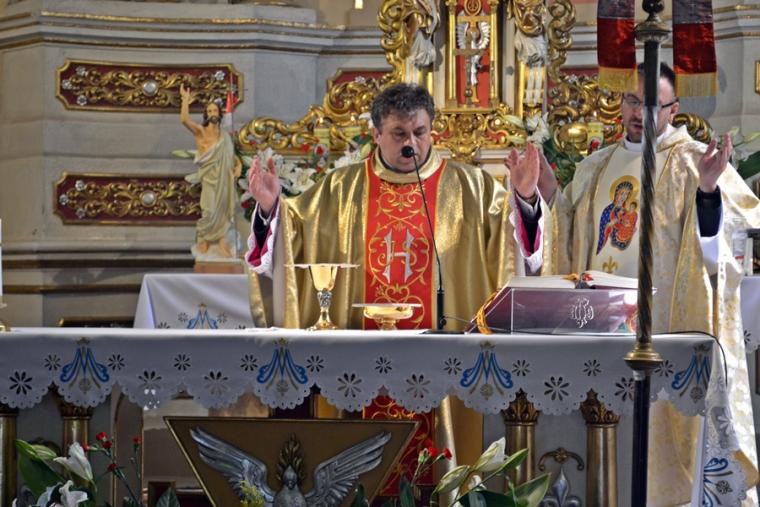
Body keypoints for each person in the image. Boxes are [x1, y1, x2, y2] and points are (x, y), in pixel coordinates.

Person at [244, 83, 555, 489]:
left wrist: (526, 198)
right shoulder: (340, 189)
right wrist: (271, 208)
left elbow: (515, 249)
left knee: (440, 468)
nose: (412, 144)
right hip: (359, 364)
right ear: (376, 134)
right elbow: (293, 236)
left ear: (432, 131)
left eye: (420, 132)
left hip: (443, 367)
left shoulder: (472, 188)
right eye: (399, 134)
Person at [510, 62, 760, 505]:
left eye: (651, 105)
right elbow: (562, 245)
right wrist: (538, 196)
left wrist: (707, 192)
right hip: (599, 334)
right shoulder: (594, 167)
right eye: (631, 101)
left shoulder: (695, 161)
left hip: (663, 333)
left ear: (673, 109)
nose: (638, 113)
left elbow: (729, 247)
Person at [180, 84, 241, 258]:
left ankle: (221, 243)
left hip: (225, 178)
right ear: (206, 115)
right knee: (209, 210)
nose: (212, 113)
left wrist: (238, 167)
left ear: (220, 114)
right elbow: (184, 120)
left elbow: (232, 157)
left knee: (223, 211)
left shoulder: (226, 136)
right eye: (209, 111)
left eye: (215, 110)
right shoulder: (200, 132)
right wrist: (185, 100)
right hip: (209, 178)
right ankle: (205, 239)